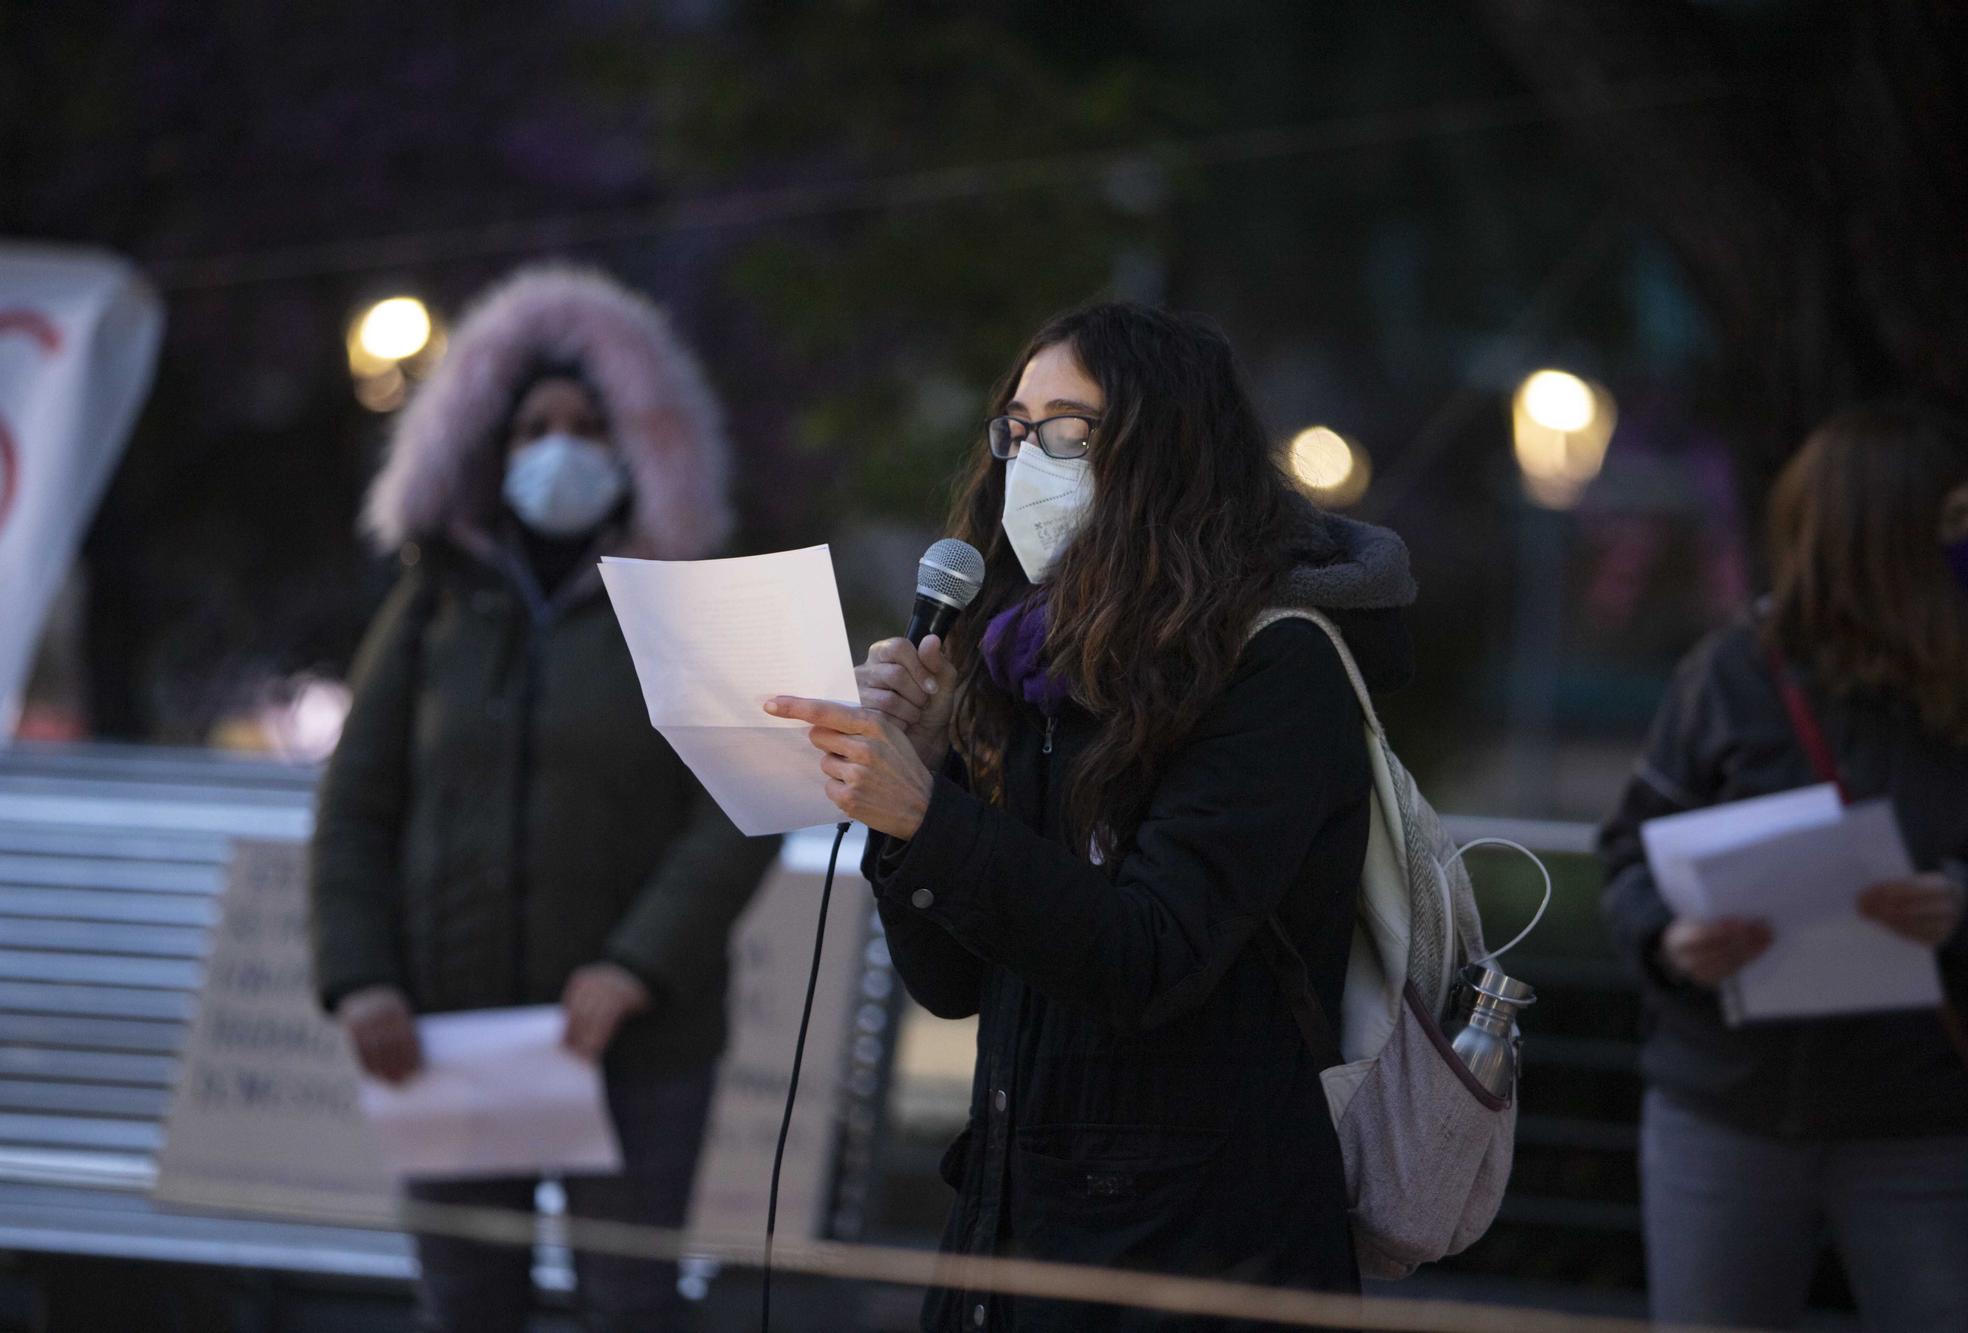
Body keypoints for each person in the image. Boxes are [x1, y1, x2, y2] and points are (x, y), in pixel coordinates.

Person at [767, 302, 1419, 1331]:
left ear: (1164, 449)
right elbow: (952, 983)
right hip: (1013, 1231)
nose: (1029, 456)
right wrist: (923, 782)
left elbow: (1149, 953)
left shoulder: (1275, 663)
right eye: (1016, 428)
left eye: (1068, 427)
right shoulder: (1030, 666)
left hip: (1193, 1257)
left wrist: (928, 819)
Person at [308, 263, 779, 1333]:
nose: (557, 447)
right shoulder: (432, 602)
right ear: (487, 444)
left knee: (631, 1305)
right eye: (532, 425)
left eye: (586, 422)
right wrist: (362, 977)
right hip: (451, 1037)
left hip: (634, 1043)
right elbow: (354, 807)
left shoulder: (695, 600)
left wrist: (633, 965)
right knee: (466, 1304)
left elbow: (735, 816)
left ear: (635, 443)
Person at [1598, 403, 1968, 1331]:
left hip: (1921, 1116)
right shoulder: (1730, 674)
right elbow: (1630, 853)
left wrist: (1959, 901)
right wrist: (1673, 939)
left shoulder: (1956, 685)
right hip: (1725, 1108)